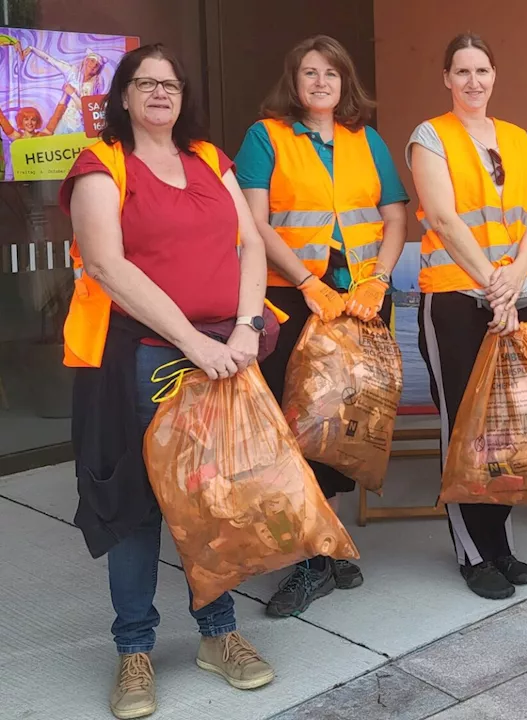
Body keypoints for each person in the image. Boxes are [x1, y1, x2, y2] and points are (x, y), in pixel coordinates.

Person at [60, 44, 275, 719]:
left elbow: (251, 247)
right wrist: (191, 342)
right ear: (122, 95)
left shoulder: (211, 160)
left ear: (184, 97)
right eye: (144, 83)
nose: (159, 94)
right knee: (136, 507)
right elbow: (107, 264)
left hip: (222, 351)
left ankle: (219, 637)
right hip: (141, 357)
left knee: (214, 498)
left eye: (170, 85)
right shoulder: (101, 165)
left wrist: (243, 328)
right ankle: (134, 650)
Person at [234, 34, 409, 618]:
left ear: (344, 83)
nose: (320, 83)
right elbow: (255, 222)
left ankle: (325, 551)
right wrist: (306, 283)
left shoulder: (368, 139)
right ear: (294, 81)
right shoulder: (266, 137)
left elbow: (394, 218)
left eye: (330, 74)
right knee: (295, 425)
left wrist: (379, 281)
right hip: (292, 298)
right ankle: (311, 558)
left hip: (359, 301)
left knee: (344, 427)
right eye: (309, 73)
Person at [408, 33, 527, 600]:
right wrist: (496, 284)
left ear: (494, 75)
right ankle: (471, 550)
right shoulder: (430, 136)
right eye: (461, 71)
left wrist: (517, 277)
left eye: (481, 70)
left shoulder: (513, 136)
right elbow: (442, 216)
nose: (472, 81)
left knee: (508, 430)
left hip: (513, 296)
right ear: (446, 78)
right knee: (464, 427)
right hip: (458, 302)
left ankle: (500, 543)